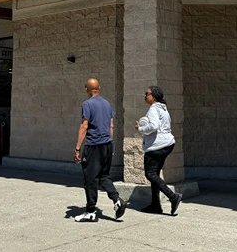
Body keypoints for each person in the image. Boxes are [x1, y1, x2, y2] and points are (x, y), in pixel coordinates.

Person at [73, 77, 127, 222]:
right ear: (99, 88)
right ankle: (117, 200)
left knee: (90, 178)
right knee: (104, 176)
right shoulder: (107, 104)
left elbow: (84, 126)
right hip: (107, 144)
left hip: (94, 146)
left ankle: (90, 211)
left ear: (86, 90)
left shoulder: (87, 104)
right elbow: (111, 126)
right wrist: (111, 146)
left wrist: (77, 148)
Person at [135, 85, 183, 215]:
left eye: (147, 94)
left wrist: (140, 129)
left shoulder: (154, 108)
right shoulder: (163, 109)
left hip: (157, 146)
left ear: (154, 96)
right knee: (154, 174)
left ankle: (173, 197)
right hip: (167, 144)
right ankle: (155, 205)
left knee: (150, 174)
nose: (145, 96)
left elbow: (154, 126)